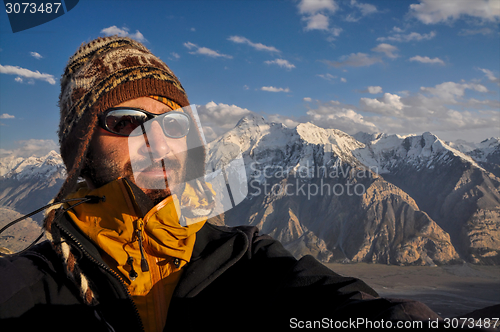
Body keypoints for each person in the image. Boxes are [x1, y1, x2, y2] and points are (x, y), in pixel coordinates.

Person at [0, 36, 442, 331]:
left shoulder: (243, 260)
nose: (156, 140)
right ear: (81, 149)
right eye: (127, 121)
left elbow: (337, 304)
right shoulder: (28, 283)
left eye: (173, 123)